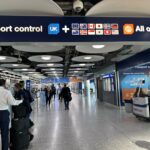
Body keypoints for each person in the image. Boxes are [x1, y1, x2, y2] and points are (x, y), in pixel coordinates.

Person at [0, 79, 23, 150]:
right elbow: (13, 102)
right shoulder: (6, 92)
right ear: (4, 84)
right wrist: (21, 101)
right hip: (3, 113)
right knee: (4, 134)